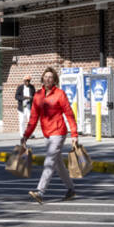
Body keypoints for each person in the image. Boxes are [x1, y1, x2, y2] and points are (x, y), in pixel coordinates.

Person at [20, 67, 79, 204]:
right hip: (47, 134)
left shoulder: (60, 94)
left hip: (58, 132)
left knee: (49, 160)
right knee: (58, 164)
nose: (47, 79)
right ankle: (71, 189)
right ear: (42, 79)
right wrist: (26, 135)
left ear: (54, 80)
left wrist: (74, 134)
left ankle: (40, 191)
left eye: (50, 77)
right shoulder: (38, 96)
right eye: (45, 77)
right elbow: (33, 119)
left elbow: (69, 115)